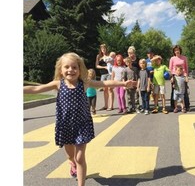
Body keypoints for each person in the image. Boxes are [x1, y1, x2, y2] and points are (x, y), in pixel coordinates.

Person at [23, 52, 134, 186]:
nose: (71, 70)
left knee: (80, 157)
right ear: (61, 69)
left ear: (80, 69)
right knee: (71, 156)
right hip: (65, 126)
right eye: (67, 67)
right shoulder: (58, 84)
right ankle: (72, 162)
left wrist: (123, 83)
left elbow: (104, 82)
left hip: (82, 125)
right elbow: (36, 88)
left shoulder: (85, 83)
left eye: (74, 67)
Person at [169, 45, 190, 112]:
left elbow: (186, 68)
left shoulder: (184, 58)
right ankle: (173, 106)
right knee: (174, 91)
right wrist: (171, 77)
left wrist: (186, 76)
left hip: (183, 76)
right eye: (175, 50)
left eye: (178, 50)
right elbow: (170, 69)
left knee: (184, 92)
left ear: (180, 50)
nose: (177, 51)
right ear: (174, 51)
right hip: (175, 76)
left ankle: (186, 106)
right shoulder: (172, 58)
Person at [95, 43, 110, 111]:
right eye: (102, 48)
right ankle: (106, 105)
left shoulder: (109, 55)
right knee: (104, 90)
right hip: (103, 74)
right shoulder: (99, 56)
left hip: (109, 73)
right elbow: (97, 66)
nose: (103, 50)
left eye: (104, 48)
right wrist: (104, 67)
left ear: (106, 49)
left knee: (110, 89)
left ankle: (110, 105)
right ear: (100, 49)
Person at [127, 46, 141, 110]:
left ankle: (137, 105)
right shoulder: (128, 59)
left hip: (136, 76)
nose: (130, 54)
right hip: (129, 77)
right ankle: (130, 106)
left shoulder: (137, 59)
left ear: (134, 53)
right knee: (129, 93)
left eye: (131, 53)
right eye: (129, 53)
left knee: (136, 92)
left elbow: (140, 67)